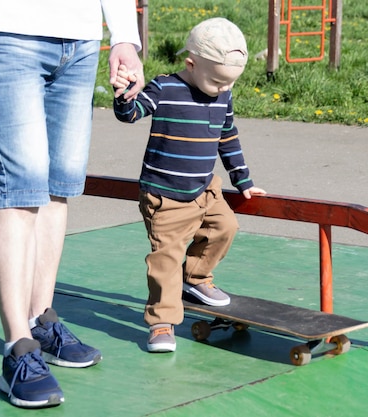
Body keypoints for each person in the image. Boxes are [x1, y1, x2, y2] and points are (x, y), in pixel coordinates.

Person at [0, 0, 145, 409]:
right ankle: (18, 348)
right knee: (21, 185)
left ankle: (40, 320)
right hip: (8, 30)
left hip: (81, 39)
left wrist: (124, 35)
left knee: (58, 185)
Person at [113, 17, 266, 354]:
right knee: (165, 259)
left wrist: (244, 180)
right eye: (217, 82)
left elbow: (228, 138)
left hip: (205, 189)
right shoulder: (165, 88)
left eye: (230, 84)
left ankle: (195, 279)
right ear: (190, 64)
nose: (223, 90)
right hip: (165, 195)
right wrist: (125, 95)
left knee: (226, 227)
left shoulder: (223, 97)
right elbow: (132, 113)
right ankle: (161, 323)